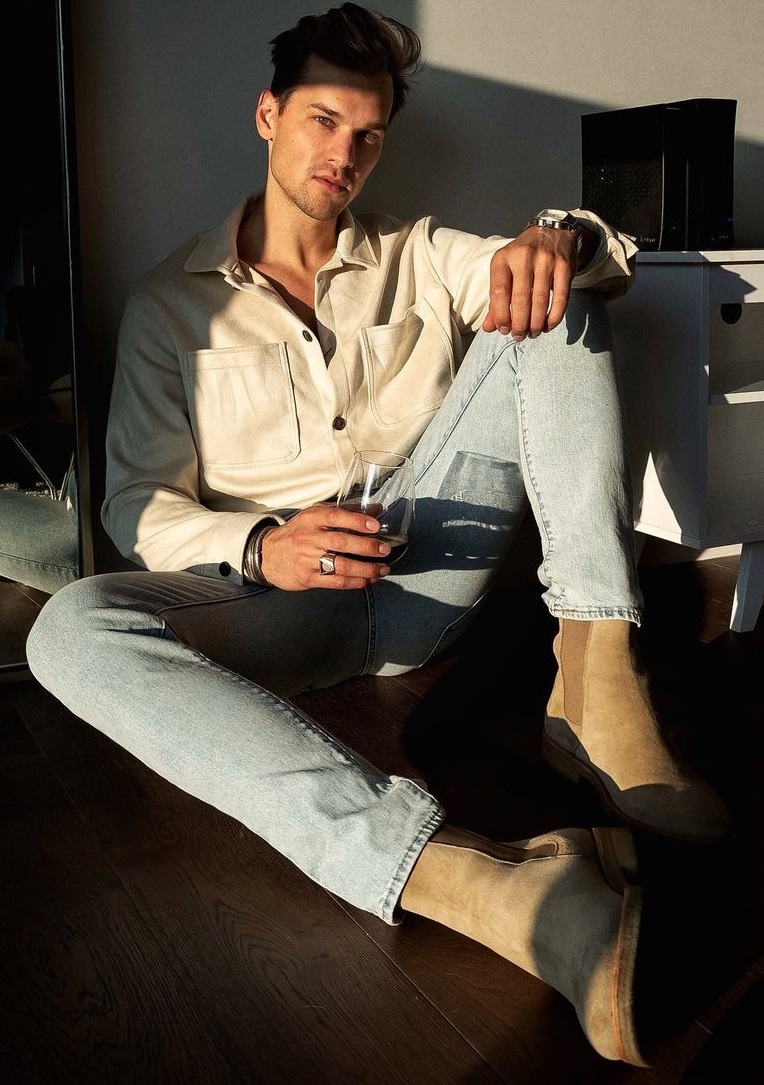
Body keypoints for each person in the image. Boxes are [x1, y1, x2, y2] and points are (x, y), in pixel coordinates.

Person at [27, 3, 733, 1066]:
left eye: (366, 134)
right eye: (320, 121)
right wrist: (264, 543)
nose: (342, 154)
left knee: (547, 294)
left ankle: (592, 681)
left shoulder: (419, 254)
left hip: (433, 575)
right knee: (67, 631)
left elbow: (589, 265)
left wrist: (561, 234)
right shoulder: (169, 306)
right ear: (267, 115)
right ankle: (472, 874)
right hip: (278, 602)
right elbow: (136, 504)